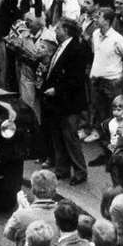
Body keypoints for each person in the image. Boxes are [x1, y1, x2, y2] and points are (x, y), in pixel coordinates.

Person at [39, 18, 92, 185]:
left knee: (70, 136)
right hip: (57, 101)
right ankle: (62, 169)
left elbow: (76, 78)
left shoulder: (76, 48)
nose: (55, 31)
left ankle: (80, 171)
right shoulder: (61, 47)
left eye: (58, 29)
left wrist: (57, 89)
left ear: (67, 30)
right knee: (58, 135)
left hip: (70, 101)